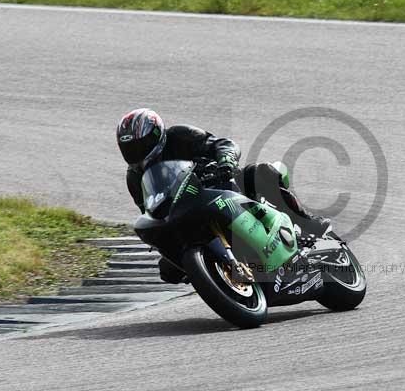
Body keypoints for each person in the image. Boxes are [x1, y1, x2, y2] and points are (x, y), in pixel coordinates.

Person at [116, 108, 330, 283]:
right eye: (129, 149)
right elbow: (148, 208)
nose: (136, 153)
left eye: (140, 146)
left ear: (156, 135)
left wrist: (225, 161)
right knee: (168, 270)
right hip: (184, 212)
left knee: (262, 172)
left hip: (219, 185)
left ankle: (308, 222)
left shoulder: (180, 136)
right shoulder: (134, 178)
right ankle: (219, 274)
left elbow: (222, 144)